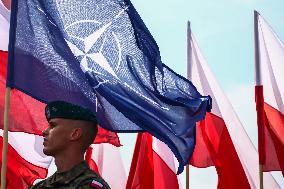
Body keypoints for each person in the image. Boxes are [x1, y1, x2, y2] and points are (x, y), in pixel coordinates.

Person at [30, 101, 111, 189]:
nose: (44, 132)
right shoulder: (40, 186)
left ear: (74, 134)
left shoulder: (89, 185)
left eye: (53, 126)